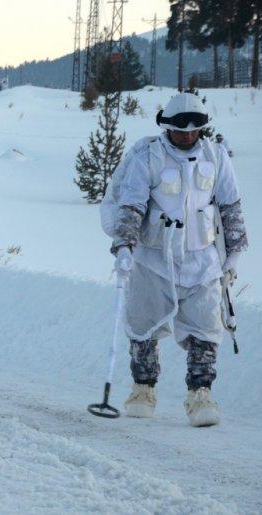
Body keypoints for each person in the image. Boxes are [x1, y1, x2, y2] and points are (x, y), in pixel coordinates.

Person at [110, 92, 247, 427]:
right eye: (179, 128)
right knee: (143, 326)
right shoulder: (148, 156)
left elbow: (230, 206)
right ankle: (143, 389)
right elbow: (131, 205)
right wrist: (124, 247)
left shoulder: (215, 156)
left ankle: (200, 395)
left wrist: (235, 253)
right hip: (154, 259)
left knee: (206, 329)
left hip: (202, 260)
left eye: (193, 128)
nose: (186, 134)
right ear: (166, 126)